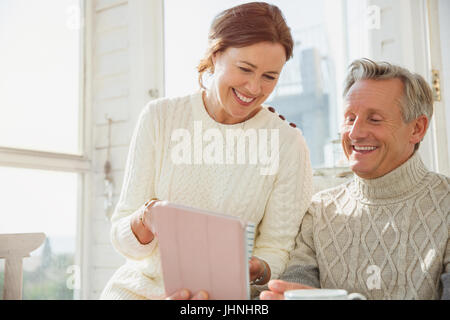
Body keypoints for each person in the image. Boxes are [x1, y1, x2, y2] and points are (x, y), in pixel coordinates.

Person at [100, 2, 313, 300]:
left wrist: (258, 270)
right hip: (140, 292)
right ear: (216, 55)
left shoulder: (287, 143)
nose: (254, 87)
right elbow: (122, 241)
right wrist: (145, 219)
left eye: (270, 76)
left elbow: (277, 250)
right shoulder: (160, 118)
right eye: (245, 69)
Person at [257, 58, 450, 300]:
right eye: (349, 118)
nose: (355, 133)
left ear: (417, 129)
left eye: (375, 119)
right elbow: (292, 290)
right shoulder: (319, 212)